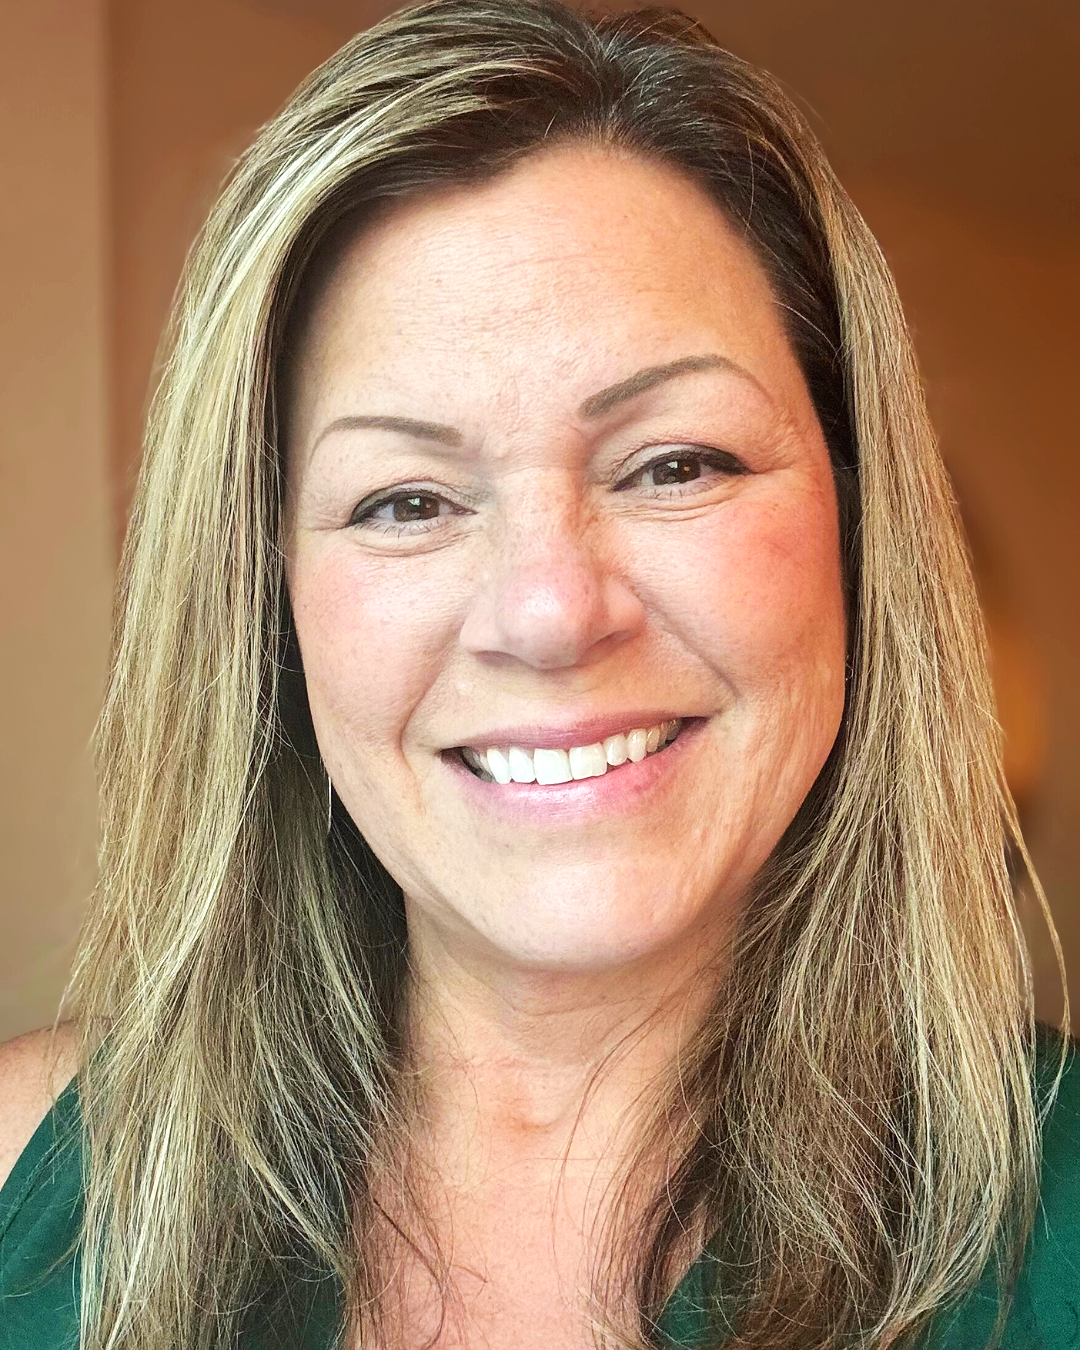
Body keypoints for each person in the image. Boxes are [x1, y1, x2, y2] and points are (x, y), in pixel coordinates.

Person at [1, 1, 1077, 1346]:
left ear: (863, 537)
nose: (552, 609)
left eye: (676, 463)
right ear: (265, 602)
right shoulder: (20, 1178)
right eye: (404, 500)